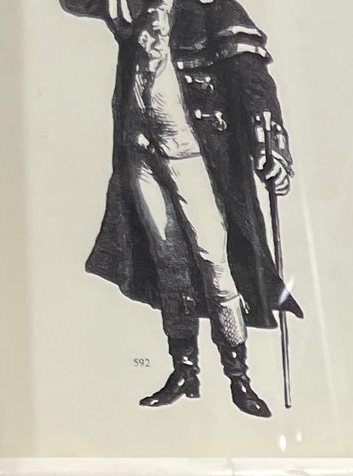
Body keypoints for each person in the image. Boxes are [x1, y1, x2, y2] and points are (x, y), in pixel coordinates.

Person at [62, 0, 301, 415]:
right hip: (141, 153)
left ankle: (238, 376)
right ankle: (184, 369)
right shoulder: (130, 5)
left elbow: (253, 82)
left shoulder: (216, 9)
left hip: (195, 155)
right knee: (168, 262)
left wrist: (272, 148)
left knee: (215, 263)